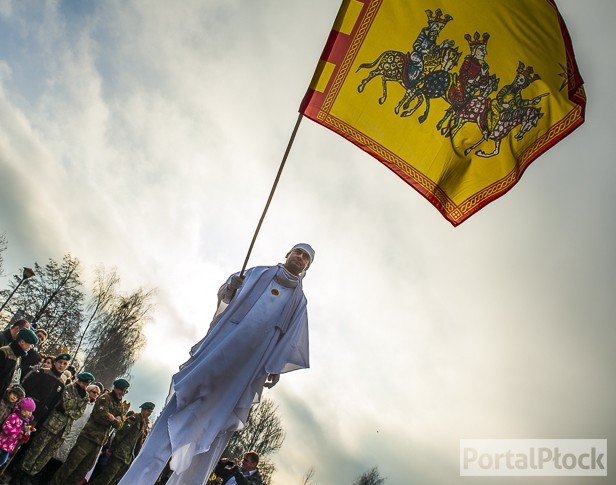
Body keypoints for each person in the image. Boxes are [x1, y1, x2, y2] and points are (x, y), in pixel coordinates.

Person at [119, 243, 314, 485]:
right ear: (288, 253)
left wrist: (274, 368)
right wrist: (231, 286)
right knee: (170, 424)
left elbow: (290, 341)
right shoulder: (257, 273)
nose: (300, 257)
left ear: (307, 266)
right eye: (298, 251)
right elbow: (228, 296)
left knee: (211, 440)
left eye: (306, 257)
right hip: (212, 361)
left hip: (241, 378)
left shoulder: (299, 303)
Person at [14, 372, 95, 483]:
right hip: (53, 424)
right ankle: (21, 471)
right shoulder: (69, 388)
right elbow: (67, 405)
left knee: (47, 454)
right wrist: (72, 410)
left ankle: (31, 474)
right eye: (84, 382)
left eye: (87, 383)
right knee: (37, 449)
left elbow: (79, 413)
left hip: (64, 429)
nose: (86, 385)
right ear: (79, 380)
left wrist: (71, 411)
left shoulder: (85, 396)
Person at [49, 378, 130, 485]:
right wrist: (114, 420)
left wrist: (113, 419)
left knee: (82, 471)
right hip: (88, 437)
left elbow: (119, 425)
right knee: (71, 465)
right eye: (122, 390)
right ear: (116, 388)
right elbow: (99, 417)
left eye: (125, 391)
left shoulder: (119, 405)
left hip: (99, 442)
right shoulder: (105, 398)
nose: (123, 394)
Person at [90, 402, 155, 485]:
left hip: (126, 458)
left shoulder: (143, 423)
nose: (149, 414)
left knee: (113, 481)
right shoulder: (133, 419)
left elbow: (137, 443)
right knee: (105, 479)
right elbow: (120, 435)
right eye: (148, 411)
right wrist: (111, 449)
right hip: (119, 454)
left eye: (151, 412)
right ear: (143, 409)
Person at [21, 353, 71, 425]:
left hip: (38, 415)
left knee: (26, 433)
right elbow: (26, 387)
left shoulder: (62, 383)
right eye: (60, 362)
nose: (61, 365)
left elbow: (53, 403)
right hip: (25, 409)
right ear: (54, 362)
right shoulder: (42, 372)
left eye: (65, 364)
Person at [0, 397, 35, 467]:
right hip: (2, 442)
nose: (31, 414)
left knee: (3, 460)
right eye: (29, 411)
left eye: (32, 412)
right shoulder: (14, 416)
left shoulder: (26, 422)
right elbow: (6, 426)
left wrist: (25, 435)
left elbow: (24, 436)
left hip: (9, 446)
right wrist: (17, 433)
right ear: (23, 410)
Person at [0, 329, 38, 393]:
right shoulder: (4, 352)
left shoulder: (18, 358)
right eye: (30, 344)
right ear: (22, 342)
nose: (31, 347)